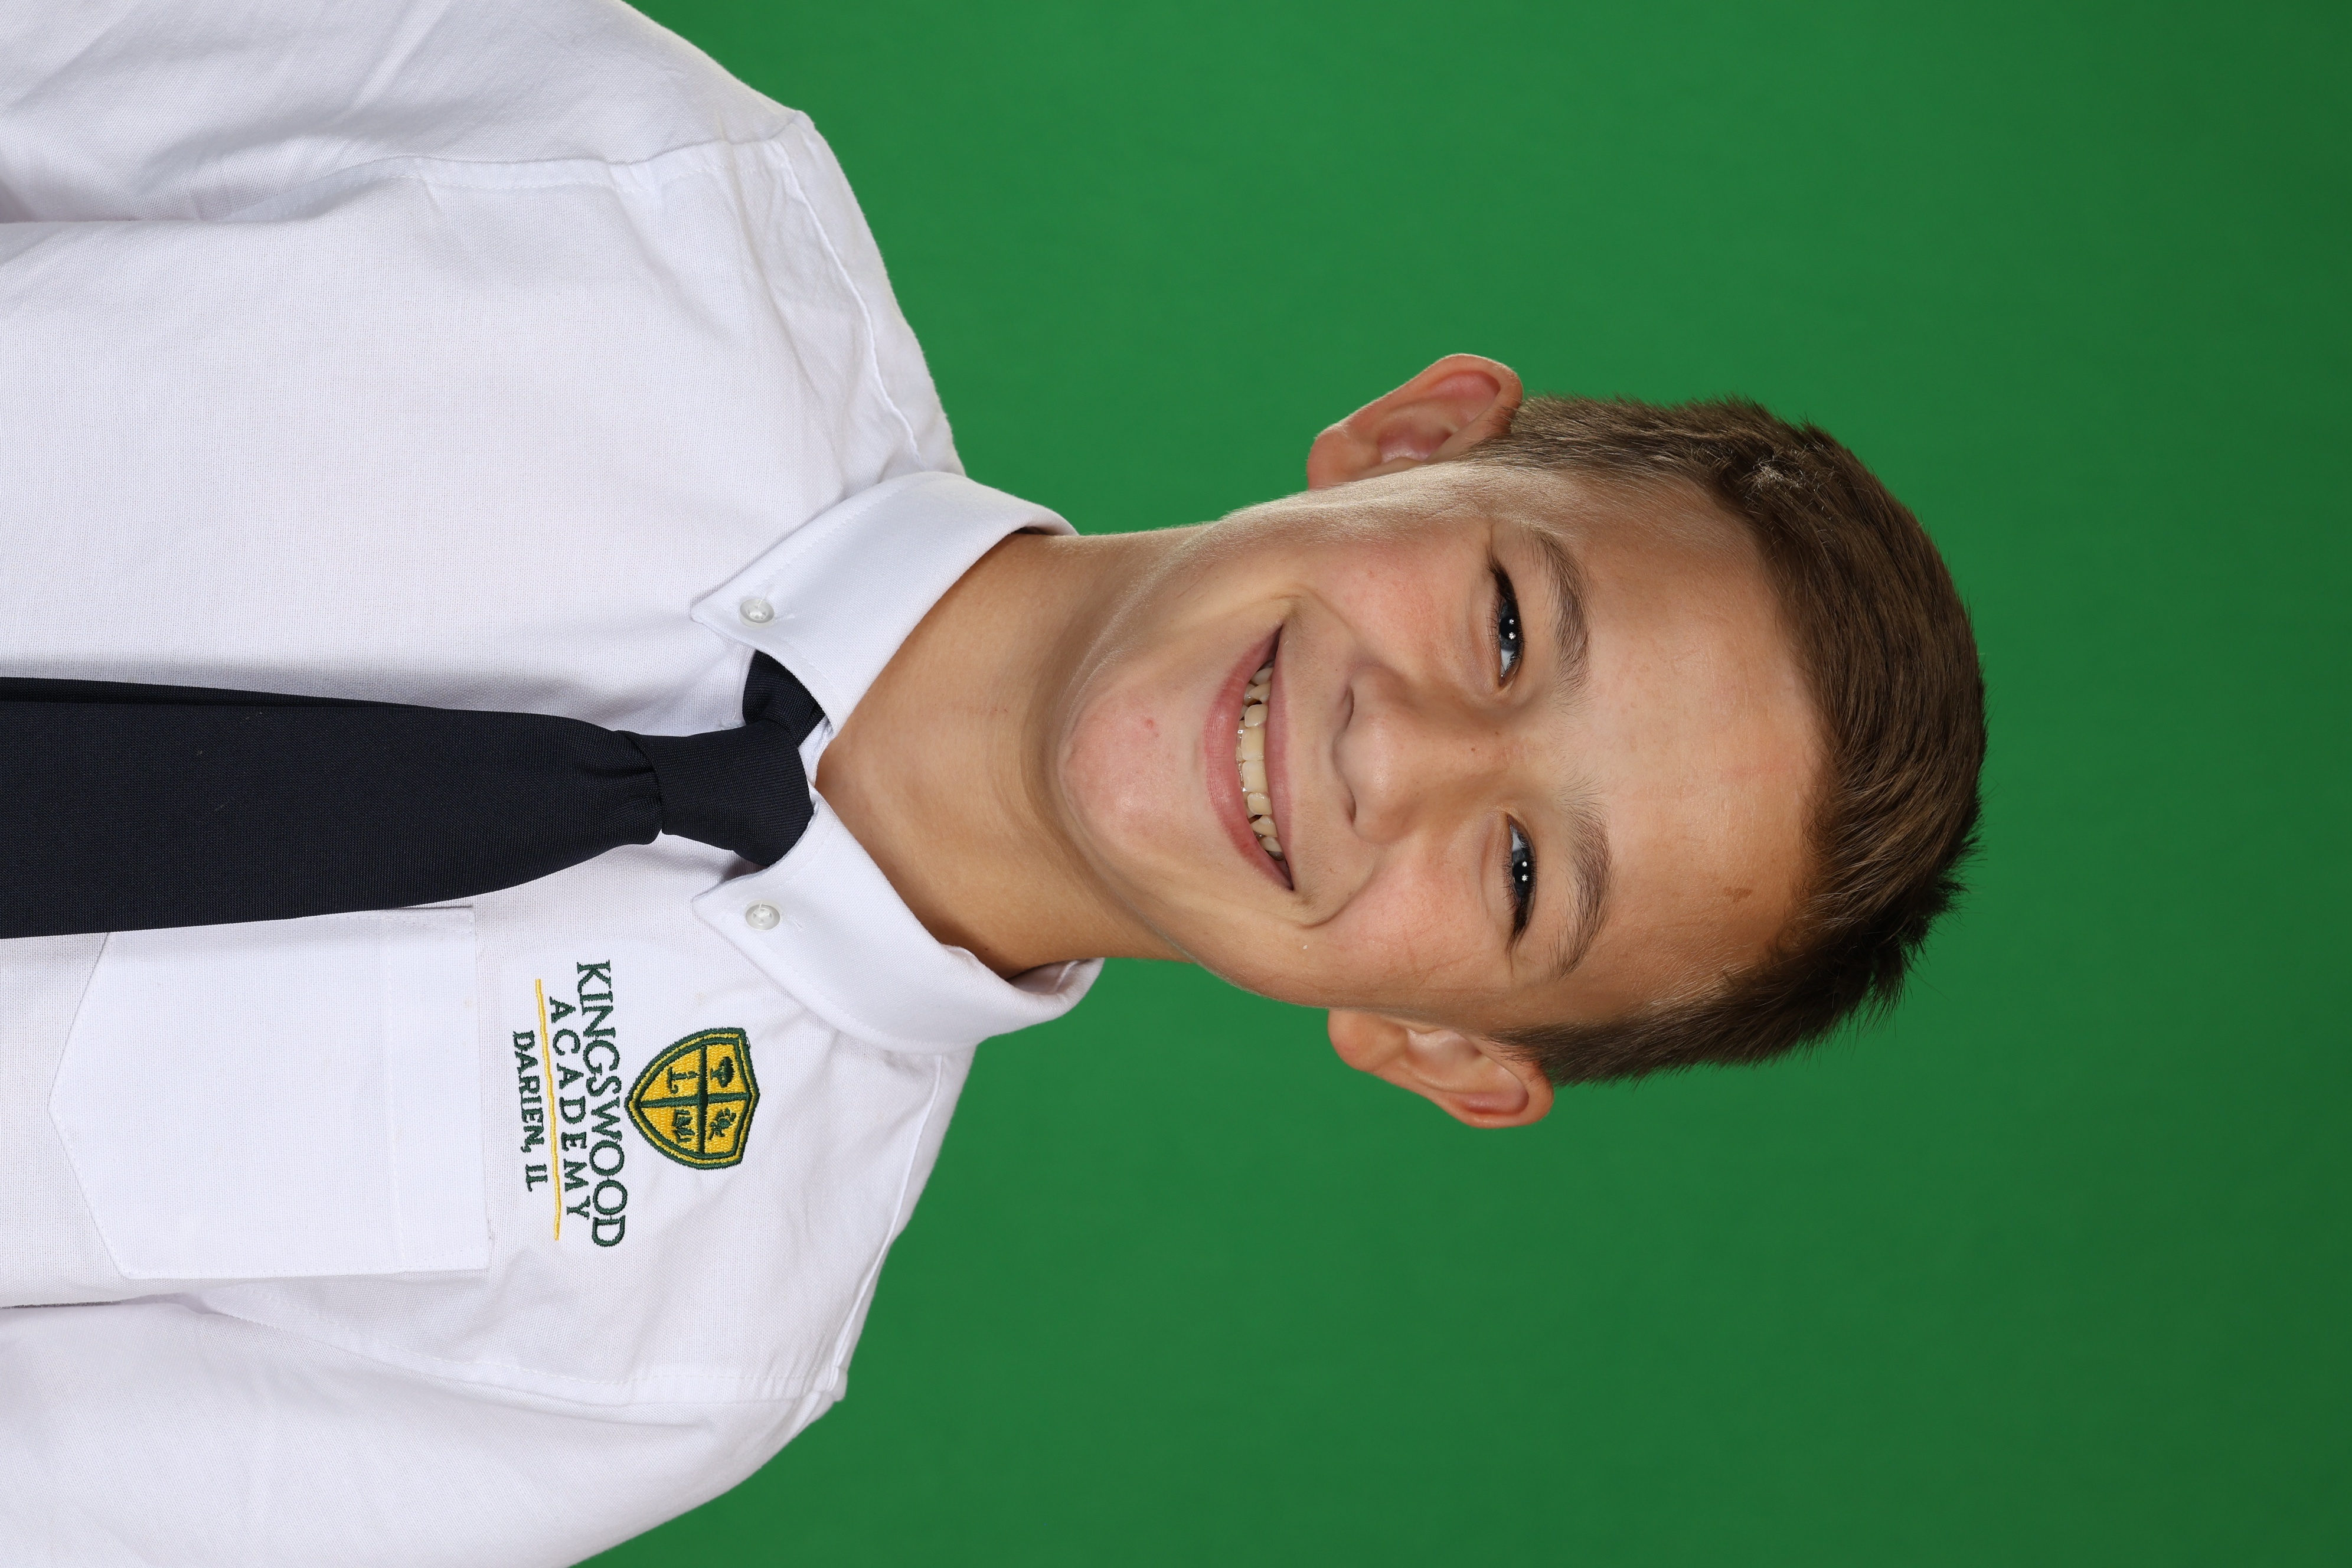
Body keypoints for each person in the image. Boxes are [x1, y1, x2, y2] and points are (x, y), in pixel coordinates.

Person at [0, 0, 1985, 1563]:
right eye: (1508, 625)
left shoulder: (674, 1354)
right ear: (1416, 443)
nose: (1399, 752)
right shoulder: (629, 189)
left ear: (1438, 1043)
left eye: (1529, 874)